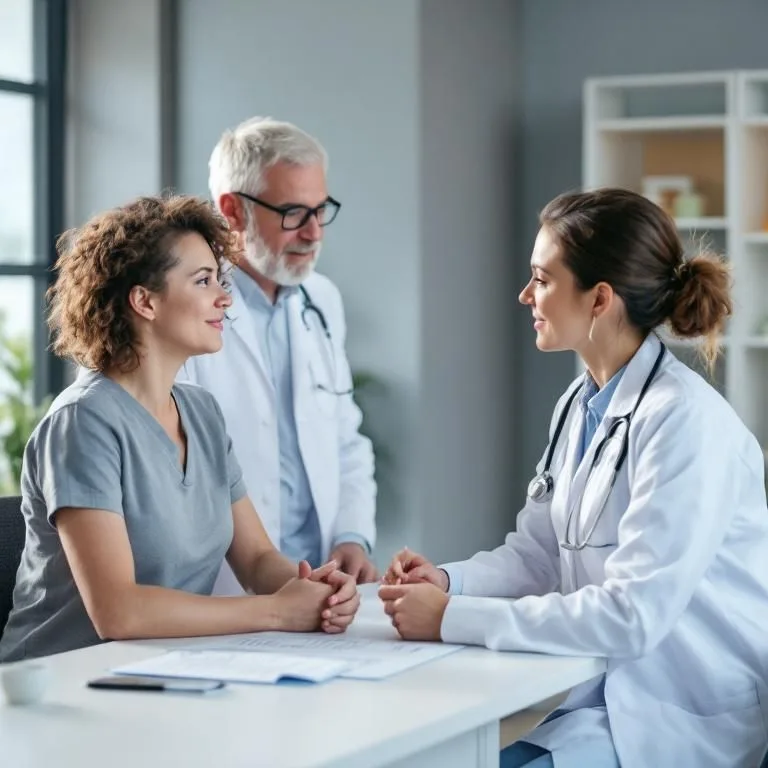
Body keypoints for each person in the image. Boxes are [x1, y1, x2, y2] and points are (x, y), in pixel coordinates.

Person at [379, 188, 768, 768]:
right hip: (607, 703)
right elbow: (538, 558)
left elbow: (631, 616)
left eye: (542, 278)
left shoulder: (685, 423)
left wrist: (451, 619)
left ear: (599, 299)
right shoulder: (580, 405)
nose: (525, 295)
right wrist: (448, 582)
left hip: (686, 712)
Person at [0, 195, 359, 663]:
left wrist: (314, 586)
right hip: (63, 688)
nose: (224, 298)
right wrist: (275, 612)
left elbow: (255, 560)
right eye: (203, 280)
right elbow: (119, 613)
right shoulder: (82, 423)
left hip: (163, 673)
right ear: (144, 301)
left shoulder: (202, 412)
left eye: (219, 278)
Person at [180, 117, 378, 590]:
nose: (314, 233)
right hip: (223, 585)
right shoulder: (187, 306)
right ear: (232, 211)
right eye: (293, 213)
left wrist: (352, 536)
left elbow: (346, 437)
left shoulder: (322, 300)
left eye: (320, 209)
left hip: (322, 580)